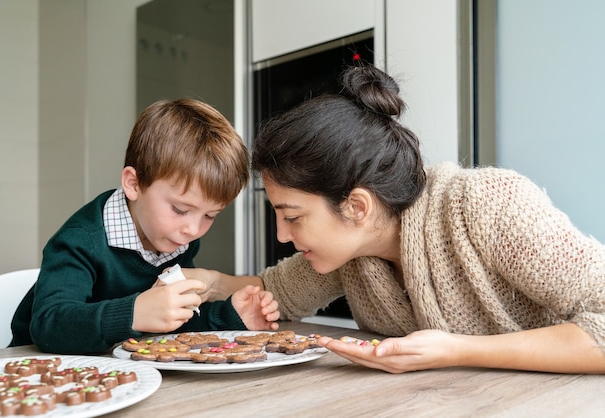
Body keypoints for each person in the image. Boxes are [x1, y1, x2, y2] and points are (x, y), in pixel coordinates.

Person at [189, 63, 605, 374]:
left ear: (357, 206)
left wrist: (455, 350)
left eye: (293, 216)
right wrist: (207, 283)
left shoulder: (485, 204)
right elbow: (273, 291)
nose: (282, 234)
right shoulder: (353, 253)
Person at [10, 98, 279, 355]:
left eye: (210, 215)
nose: (193, 230)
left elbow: (176, 323)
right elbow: (49, 325)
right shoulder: (81, 241)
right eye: (180, 209)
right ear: (134, 184)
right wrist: (135, 313)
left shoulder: (176, 237)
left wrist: (230, 315)